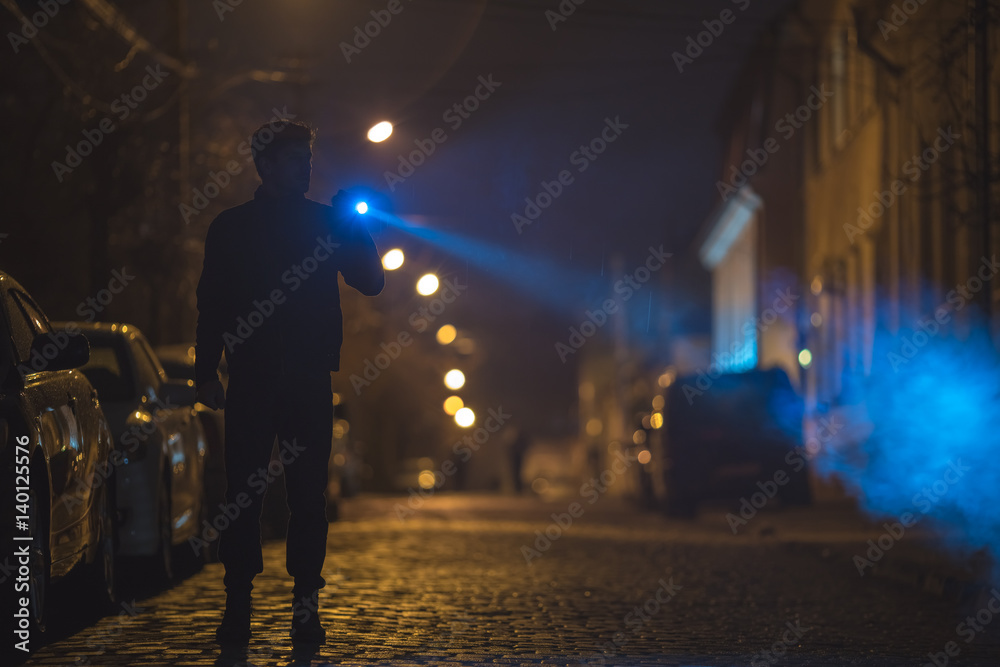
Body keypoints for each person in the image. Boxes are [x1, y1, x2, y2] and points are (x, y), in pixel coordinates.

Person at [194, 119, 384, 645]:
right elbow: (212, 305)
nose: (305, 167)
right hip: (253, 377)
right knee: (243, 497)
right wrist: (206, 371)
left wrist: (355, 227)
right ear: (265, 165)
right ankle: (238, 607)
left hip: (306, 377)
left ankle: (305, 607)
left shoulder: (326, 223)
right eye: (294, 159)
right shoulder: (232, 227)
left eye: (307, 158)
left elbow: (371, 282)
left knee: (307, 498)